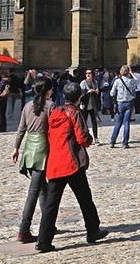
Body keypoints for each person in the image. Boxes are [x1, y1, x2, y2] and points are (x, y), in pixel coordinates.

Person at [36, 82, 108, 253]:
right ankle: (92, 231)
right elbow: (82, 137)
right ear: (79, 97)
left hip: (55, 163)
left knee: (51, 205)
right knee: (85, 199)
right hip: (72, 163)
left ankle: (43, 240)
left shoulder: (55, 112)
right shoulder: (74, 113)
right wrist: (89, 140)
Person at [12, 77, 53, 244]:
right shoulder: (50, 106)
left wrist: (16, 148)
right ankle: (24, 229)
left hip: (30, 150)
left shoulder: (27, 106)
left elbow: (21, 129)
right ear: (48, 91)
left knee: (43, 189)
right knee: (34, 192)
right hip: (43, 149)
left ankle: (48, 224)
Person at [109, 64, 137, 148]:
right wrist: (132, 73)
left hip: (120, 103)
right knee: (126, 123)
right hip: (129, 102)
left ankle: (112, 142)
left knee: (118, 123)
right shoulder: (131, 81)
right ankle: (125, 143)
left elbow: (112, 93)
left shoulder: (117, 81)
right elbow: (138, 80)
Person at [80, 68, 101, 143]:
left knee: (94, 122)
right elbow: (81, 94)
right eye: (86, 73)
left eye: (89, 73)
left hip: (93, 105)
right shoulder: (83, 82)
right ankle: (84, 138)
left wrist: (96, 91)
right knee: (84, 122)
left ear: (92, 74)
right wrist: (88, 91)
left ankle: (96, 138)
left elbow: (98, 91)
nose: (88, 75)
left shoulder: (95, 82)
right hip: (85, 105)